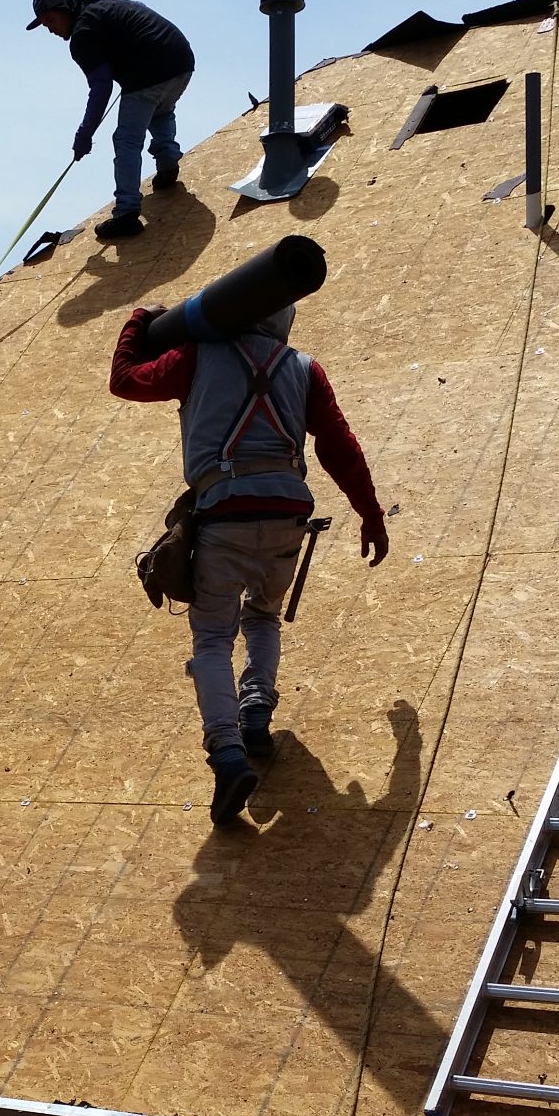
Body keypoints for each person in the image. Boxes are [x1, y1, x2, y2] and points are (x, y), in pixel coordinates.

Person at [109, 304, 390, 825]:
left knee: (213, 638)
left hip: (223, 515)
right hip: (288, 516)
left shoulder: (196, 353)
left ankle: (227, 754)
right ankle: (256, 707)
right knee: (262, 615)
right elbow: (339, 447)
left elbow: (125, 381)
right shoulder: (304, 368)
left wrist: (139, 321)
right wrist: (370, 515)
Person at [28, 0, 194, 241]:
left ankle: (126, 214)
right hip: (181, 60)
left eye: (50, 20)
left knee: (126, 139)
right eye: (44, 25)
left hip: (148, 73)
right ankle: (168, 162)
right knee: (160, 110)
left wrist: (85, 133)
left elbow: (101, 88)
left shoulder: (82, 34)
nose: (49, 29)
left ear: (65, 9)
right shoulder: (103, 4)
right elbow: (140, 9)